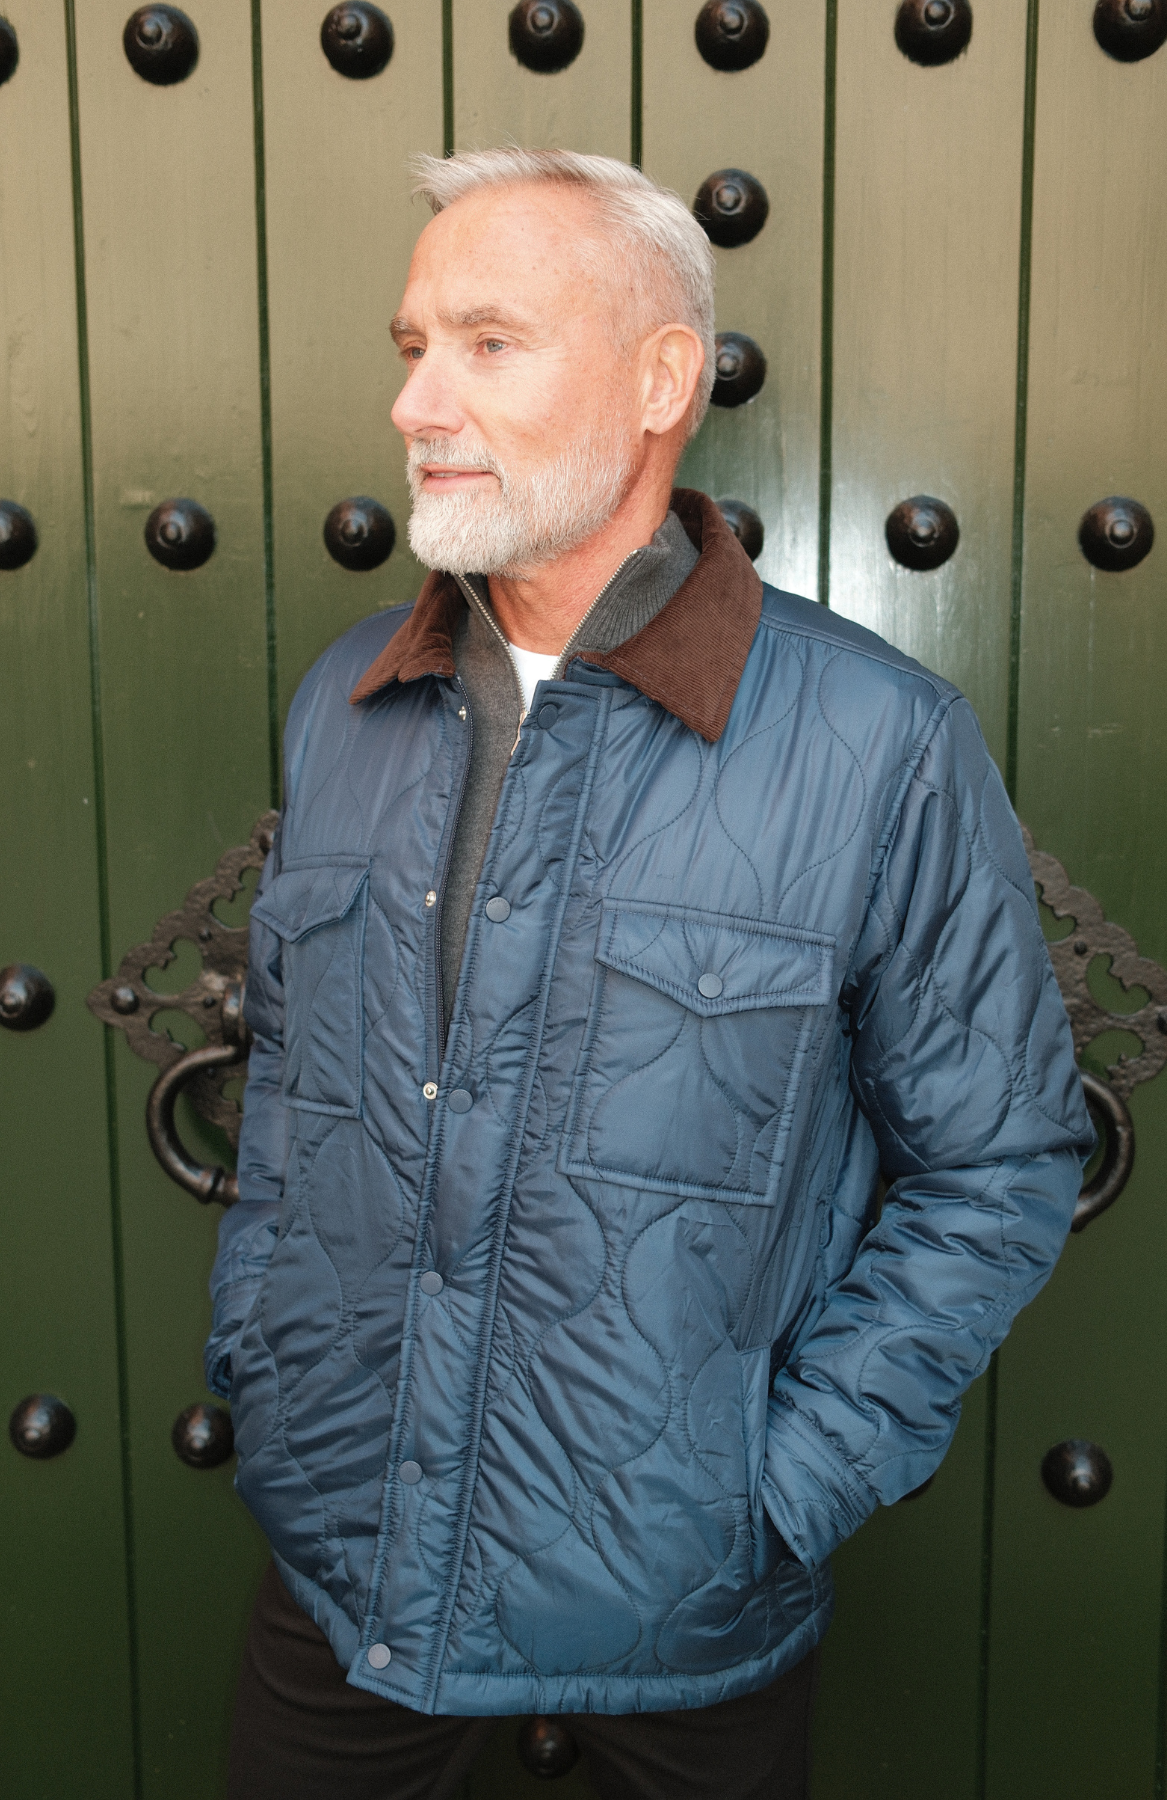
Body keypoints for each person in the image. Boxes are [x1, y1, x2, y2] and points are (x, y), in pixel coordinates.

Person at [207, 148, 1092, 1800]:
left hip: (683, 1623)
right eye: (412, 345)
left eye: (489, 342)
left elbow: (1000, 1161)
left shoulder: (877, 741)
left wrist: (780, 1487)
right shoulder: (347, 700)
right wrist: (264, 1358)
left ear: (662, 380)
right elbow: (298, 1095)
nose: (416, 402)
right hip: (343, 1585)